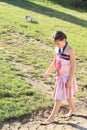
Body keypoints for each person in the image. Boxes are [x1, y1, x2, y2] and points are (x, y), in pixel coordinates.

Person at [41, 31, 78, 125]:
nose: (57, 45)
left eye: (58, 43)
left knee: (58, 98)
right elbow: (54, 61)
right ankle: (73, 109)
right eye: (55, 44)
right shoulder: (57, 49)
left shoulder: (70, 50)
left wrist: (70, 80)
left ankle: (51, 118)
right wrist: (47, 72)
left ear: (64, 40)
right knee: (68, 96)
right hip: (59, 77)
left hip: (66, 78)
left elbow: (73, 65)